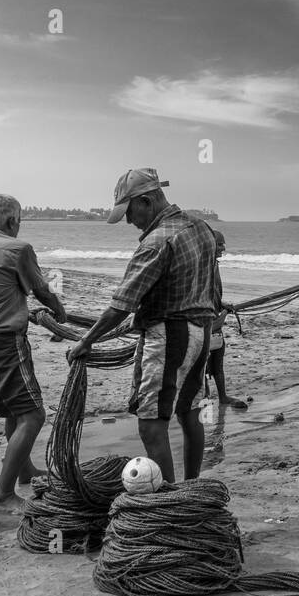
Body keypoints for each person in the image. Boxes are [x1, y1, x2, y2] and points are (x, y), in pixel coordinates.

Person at [67, 168, 217, 485]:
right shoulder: (201, 227)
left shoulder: (156, 242)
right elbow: (213, 284)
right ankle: (191, 487)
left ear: (146, 201)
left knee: (151, 422)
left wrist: (87, 341)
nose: (128, 220)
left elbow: (122, 304)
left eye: (129, 211)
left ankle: (168, 498)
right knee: (190, 412)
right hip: (201, 333)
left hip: (170, 336)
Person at [0, 194, 67, 512]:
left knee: (12, 411)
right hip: (5, 340)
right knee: (34, 415)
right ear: (12, 222)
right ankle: (3, 495)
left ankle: (25, 472)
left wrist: (18, 309)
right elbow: (42, 290)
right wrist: (58, 311)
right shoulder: (18, 249)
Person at [207, 231, 248, 408]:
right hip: (205, 321)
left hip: (215, 319)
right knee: (201, 364)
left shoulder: (214, 264)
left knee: (218, 358)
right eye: (220, 244)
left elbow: (213, 293)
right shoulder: (203, 266)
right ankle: (205, 397)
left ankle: (222, 396)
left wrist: (222, 305)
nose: (224, 247)